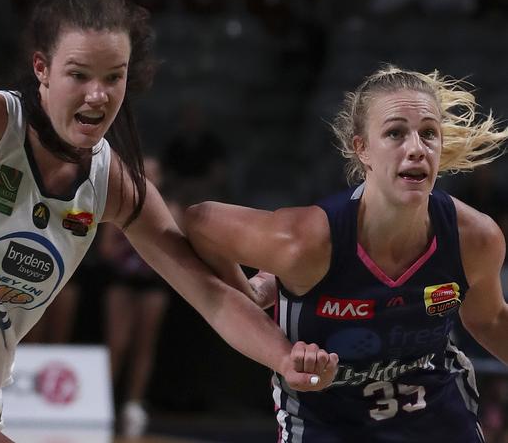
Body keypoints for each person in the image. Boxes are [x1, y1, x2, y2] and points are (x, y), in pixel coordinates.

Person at [0, 0, 338, 442]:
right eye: (79, 74)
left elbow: (212, 297)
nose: (97, 94)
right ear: (42, 69)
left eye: (114, 77)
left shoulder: (115, 185)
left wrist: (284, 359)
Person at [184, 65, 508, 442]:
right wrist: (250, 290)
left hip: (436, 416)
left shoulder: (474, 238)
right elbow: (200, 222)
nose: (417, 149)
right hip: (329, 423)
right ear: (362, 149)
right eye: (395, 133)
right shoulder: (306, 243)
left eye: (428, 134)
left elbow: (490, 321)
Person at [99, 156, 176, 438]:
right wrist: (135, 247)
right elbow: (106, 249)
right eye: (145, 173)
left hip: (153, 285)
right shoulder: (119, 208)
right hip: (122, 282)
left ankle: (133, 406)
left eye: (155, 173)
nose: (150, 178)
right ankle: (102, 403)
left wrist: (146, 252)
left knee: (145, 344)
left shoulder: (171, 208)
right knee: (117, 342)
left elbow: (173, 250)